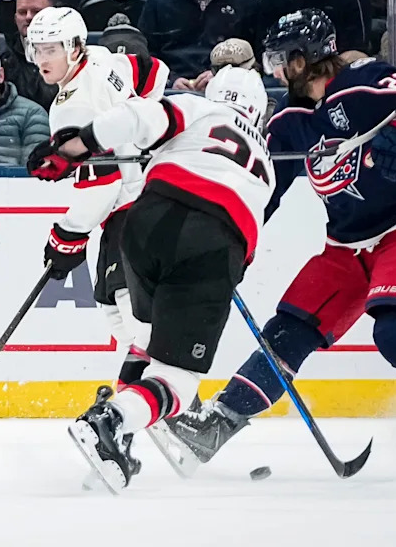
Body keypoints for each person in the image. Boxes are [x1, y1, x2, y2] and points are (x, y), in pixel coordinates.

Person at [164, 8, 396, 466]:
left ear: (303, 60)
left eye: (280, 59)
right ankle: (219, 423)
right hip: (347, 245)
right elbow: (262, 190)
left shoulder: (364, 82)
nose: (276, 70)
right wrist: (227, 238)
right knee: (290, 327)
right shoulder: (288, 122)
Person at [28, 61, 274, 492]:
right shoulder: (268, 167)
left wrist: (76, 146)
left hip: (144, 222)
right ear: (258, 111)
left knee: (143, 338)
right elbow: (244, 239)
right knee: (177, 377)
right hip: (214, 245)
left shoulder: (196, 108)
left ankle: (120, 439)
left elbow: (135, 116)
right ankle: (113, 420)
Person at [23, 5, 170, 475]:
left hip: (133, 211)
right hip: (145, 201)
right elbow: (153, 71)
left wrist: (66, 236)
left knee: (135, 320)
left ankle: (136, 424)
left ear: (73, 47)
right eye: (36, 48)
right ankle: (156, 416)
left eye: (51, 49)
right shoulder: (106, 58)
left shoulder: (70, 107)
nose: (42, 58)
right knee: (119, 315)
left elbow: (101, 183)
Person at [0, 0, 58, 111]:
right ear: (15, 19)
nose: (28, 17)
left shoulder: (69, 52)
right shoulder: (3, 54)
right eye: (22, 12)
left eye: (36, 12)